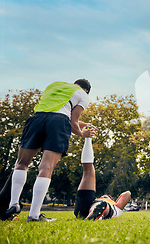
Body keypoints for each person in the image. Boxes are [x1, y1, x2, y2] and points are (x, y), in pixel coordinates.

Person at [4, 79, 96, 221]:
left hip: (36, 119)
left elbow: (54, 110)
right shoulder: (83, 95)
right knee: (46, 167)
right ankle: (34, 215)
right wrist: (83, 133)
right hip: (58, 123)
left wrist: (84, 124)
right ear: (86, 90)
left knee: (21, 163)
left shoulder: (54, 85)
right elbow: (72, 121)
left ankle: (14, 204)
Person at [74, 136, 131, 220]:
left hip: (86, 210)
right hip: (88, 206)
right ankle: (88, 138)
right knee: (88, 170)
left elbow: (127, 194)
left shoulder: (115, 207)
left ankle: (95, 213)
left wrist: (113, 203)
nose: (105, 196)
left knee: (102, 205)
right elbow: (127, 193)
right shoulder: (102, 201)